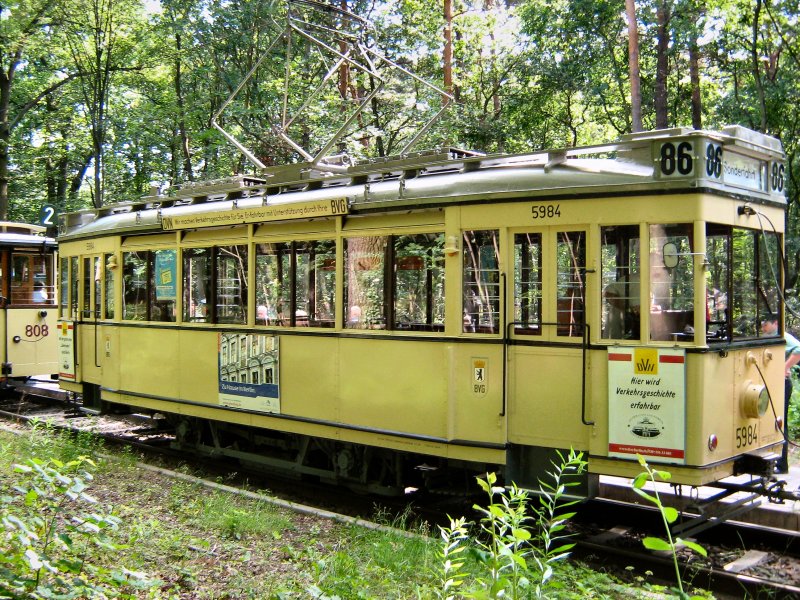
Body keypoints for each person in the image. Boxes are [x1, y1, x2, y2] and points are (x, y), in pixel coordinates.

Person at [760, 316, 800, 473]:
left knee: (779, 421)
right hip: (770, 383)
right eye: (762, 325)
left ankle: (782, 465)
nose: (763, 328)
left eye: (766, 324)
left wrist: (784, 367)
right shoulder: (768, 337)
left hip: (782, 383)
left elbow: (798, 348)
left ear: (775, 323)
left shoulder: (782, 336)